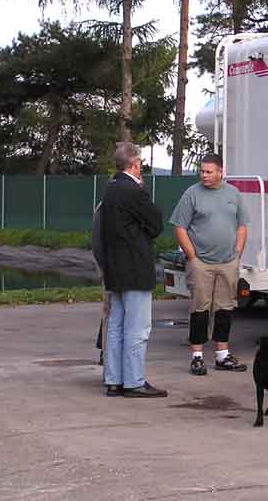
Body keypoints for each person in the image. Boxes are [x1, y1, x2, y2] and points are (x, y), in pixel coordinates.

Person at [170, 153, 250, 376]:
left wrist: (237, 253)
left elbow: (242, 225)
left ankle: (222, 355)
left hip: (228, 262)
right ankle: (197, 357)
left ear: (220, 172)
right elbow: (179, 227)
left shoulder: (233, 194)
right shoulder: (192, 194)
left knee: (225, 308)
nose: (204, 175)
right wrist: (192, 257)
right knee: (199, 309)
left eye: (208, 171)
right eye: (202, 171)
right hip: (201, 263)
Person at [101, 142, 166, 398]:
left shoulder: (110, 189)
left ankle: (114, 380)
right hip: (136, 268)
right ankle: (134, 381)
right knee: (137, 328)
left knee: (116, 326)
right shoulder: (134, 191)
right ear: (135, 164)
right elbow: (156, 223)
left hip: (115, 268)